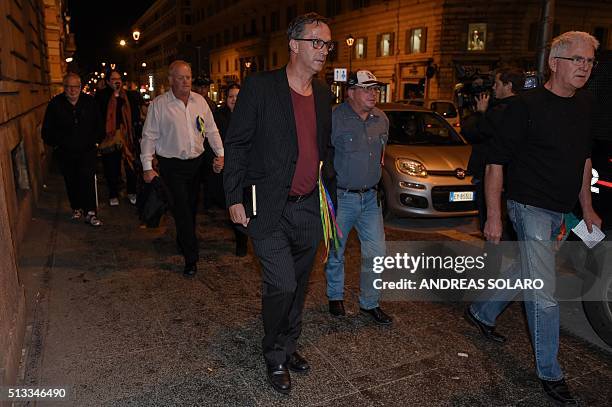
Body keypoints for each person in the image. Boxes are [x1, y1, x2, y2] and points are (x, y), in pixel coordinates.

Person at [465, 31, 601, 406]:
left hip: (562, 210)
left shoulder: (585, 106)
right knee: (545, 293)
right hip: (528, 207)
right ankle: (551, 373)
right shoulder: (525, 107)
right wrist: (493, 217)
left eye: (589, 61)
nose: (584, 68)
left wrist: (586, 208)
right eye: (577, 60)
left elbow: (583, 160)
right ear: (554, 62)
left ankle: (481, 312)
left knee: (526, 273)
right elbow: (495, 163)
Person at [223, 12, 336, 395]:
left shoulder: (323, 94)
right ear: (294, 45)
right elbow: (236, 144)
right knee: (282, 283)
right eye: (317, 43)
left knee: (300, 284)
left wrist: (329, 196)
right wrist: (233, 197)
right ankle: (273, 354)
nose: (324, 51)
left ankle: (288, 345)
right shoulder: (260, 88)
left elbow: (323, 149)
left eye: (327, 44)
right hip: (267, 205)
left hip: (307, 207)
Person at [141, 60, 224, 277]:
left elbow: (212, 130)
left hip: (196, 164)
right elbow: (149, 136)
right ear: (170, 80)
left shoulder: (200, 102)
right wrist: (147, 166)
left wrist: (220, 153)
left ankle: (183, 239)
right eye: (180, 77)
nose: (186, 81)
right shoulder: (159, 105)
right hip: (172, 167)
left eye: (188, 77)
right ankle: (191, 258)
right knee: (182, 210)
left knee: (190, 208)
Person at [324, 70, 392, 325]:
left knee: (377, 253)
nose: (373, 94)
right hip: (342, 198)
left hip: (371, 199)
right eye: (367, 89)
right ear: (350, 92)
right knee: (336, 251)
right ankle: (334, 296)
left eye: (375, 89)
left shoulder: (381, 119)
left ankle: (370, 303)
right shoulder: (334, 119)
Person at [463, 67, 525, 233]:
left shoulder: (501, 111)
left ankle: (493, 256)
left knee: (491, 224)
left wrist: (479, 113)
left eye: (497, 84)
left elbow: (473, 132)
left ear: (508, 85)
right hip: (513, 177)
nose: (493, 88)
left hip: (491, 176)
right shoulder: (524, 107)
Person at [42, 72, 105, 226]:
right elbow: (47, 130)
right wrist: (57, 145)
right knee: (71, 181)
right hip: (65, 152)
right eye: (68, 87)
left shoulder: (90, 102)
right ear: (64, 87)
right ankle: (76, 208)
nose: (72, 90)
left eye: (75, 86)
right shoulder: (55, 104)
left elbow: (99, 125)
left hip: (87, 151)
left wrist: (96, 142)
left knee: (88, 179)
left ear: (80, 87)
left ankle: (90, 212)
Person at [205, 83, 249, 256]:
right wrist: (216, 160)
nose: (234, 100)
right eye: (231, 97)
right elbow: (210, 141)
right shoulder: (218, 117)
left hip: (245, 169)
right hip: (226, 170)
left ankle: (242, 242)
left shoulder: (249, 115)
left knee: (243, 204)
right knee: (232, 203)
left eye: (238, 96)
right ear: (226, 99)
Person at [95, 70, 138, 206]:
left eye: (119, 78)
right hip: (109, 137)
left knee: (130, 164)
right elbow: (97, 116)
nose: (117, 81)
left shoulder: (128, 96)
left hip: (127, 136)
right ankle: (113, 194)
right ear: (108, 81)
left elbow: (135, 115)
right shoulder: (102, 96)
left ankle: (132, 191)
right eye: (113, 79)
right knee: (111, 167)